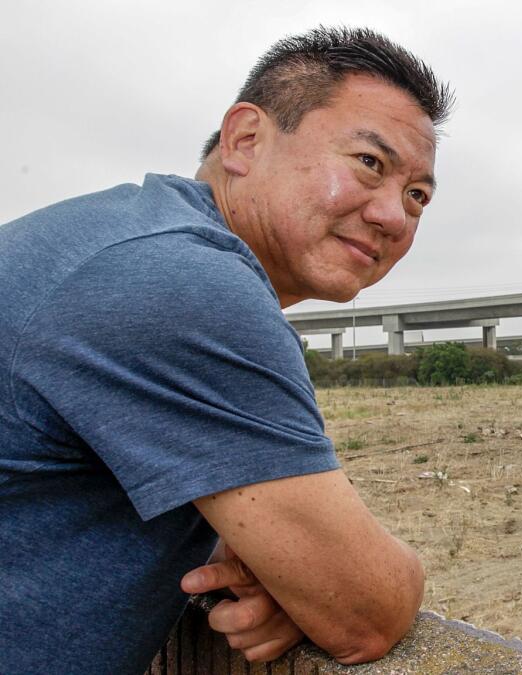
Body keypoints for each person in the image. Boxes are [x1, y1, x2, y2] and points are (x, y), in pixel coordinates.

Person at [0, 27, 453, 674]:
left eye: (418, 196)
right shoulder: (182, 283)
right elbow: (364, 612)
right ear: (245, 139)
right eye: (369, 163)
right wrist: (366, 579)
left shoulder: (117, 240)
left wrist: (271, 569)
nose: (394, 216)